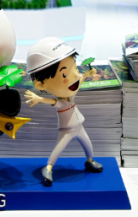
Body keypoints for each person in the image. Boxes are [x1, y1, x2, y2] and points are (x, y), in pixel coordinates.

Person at [24, 37, 103, 186]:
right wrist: (39, 99)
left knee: (88, 144)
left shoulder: (71, 95)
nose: (76, 75)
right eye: (64, 75)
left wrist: (86, 74)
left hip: (79, 126)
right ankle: (48, 168)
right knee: (58, 148)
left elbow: (78, 82)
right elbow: (52, 102)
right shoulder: (61, 102)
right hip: (67, 129)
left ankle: (90, 161)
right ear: (41, 84)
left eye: (75, 68)